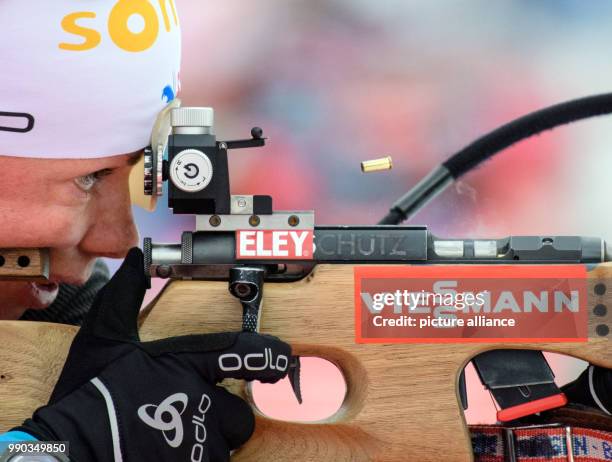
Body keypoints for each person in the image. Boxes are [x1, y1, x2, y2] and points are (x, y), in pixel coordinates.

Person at [0, 2, 291, 460]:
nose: (120, 241)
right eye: (89, 178)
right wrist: (57, 449)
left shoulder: (71, 324)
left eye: (135, 176)